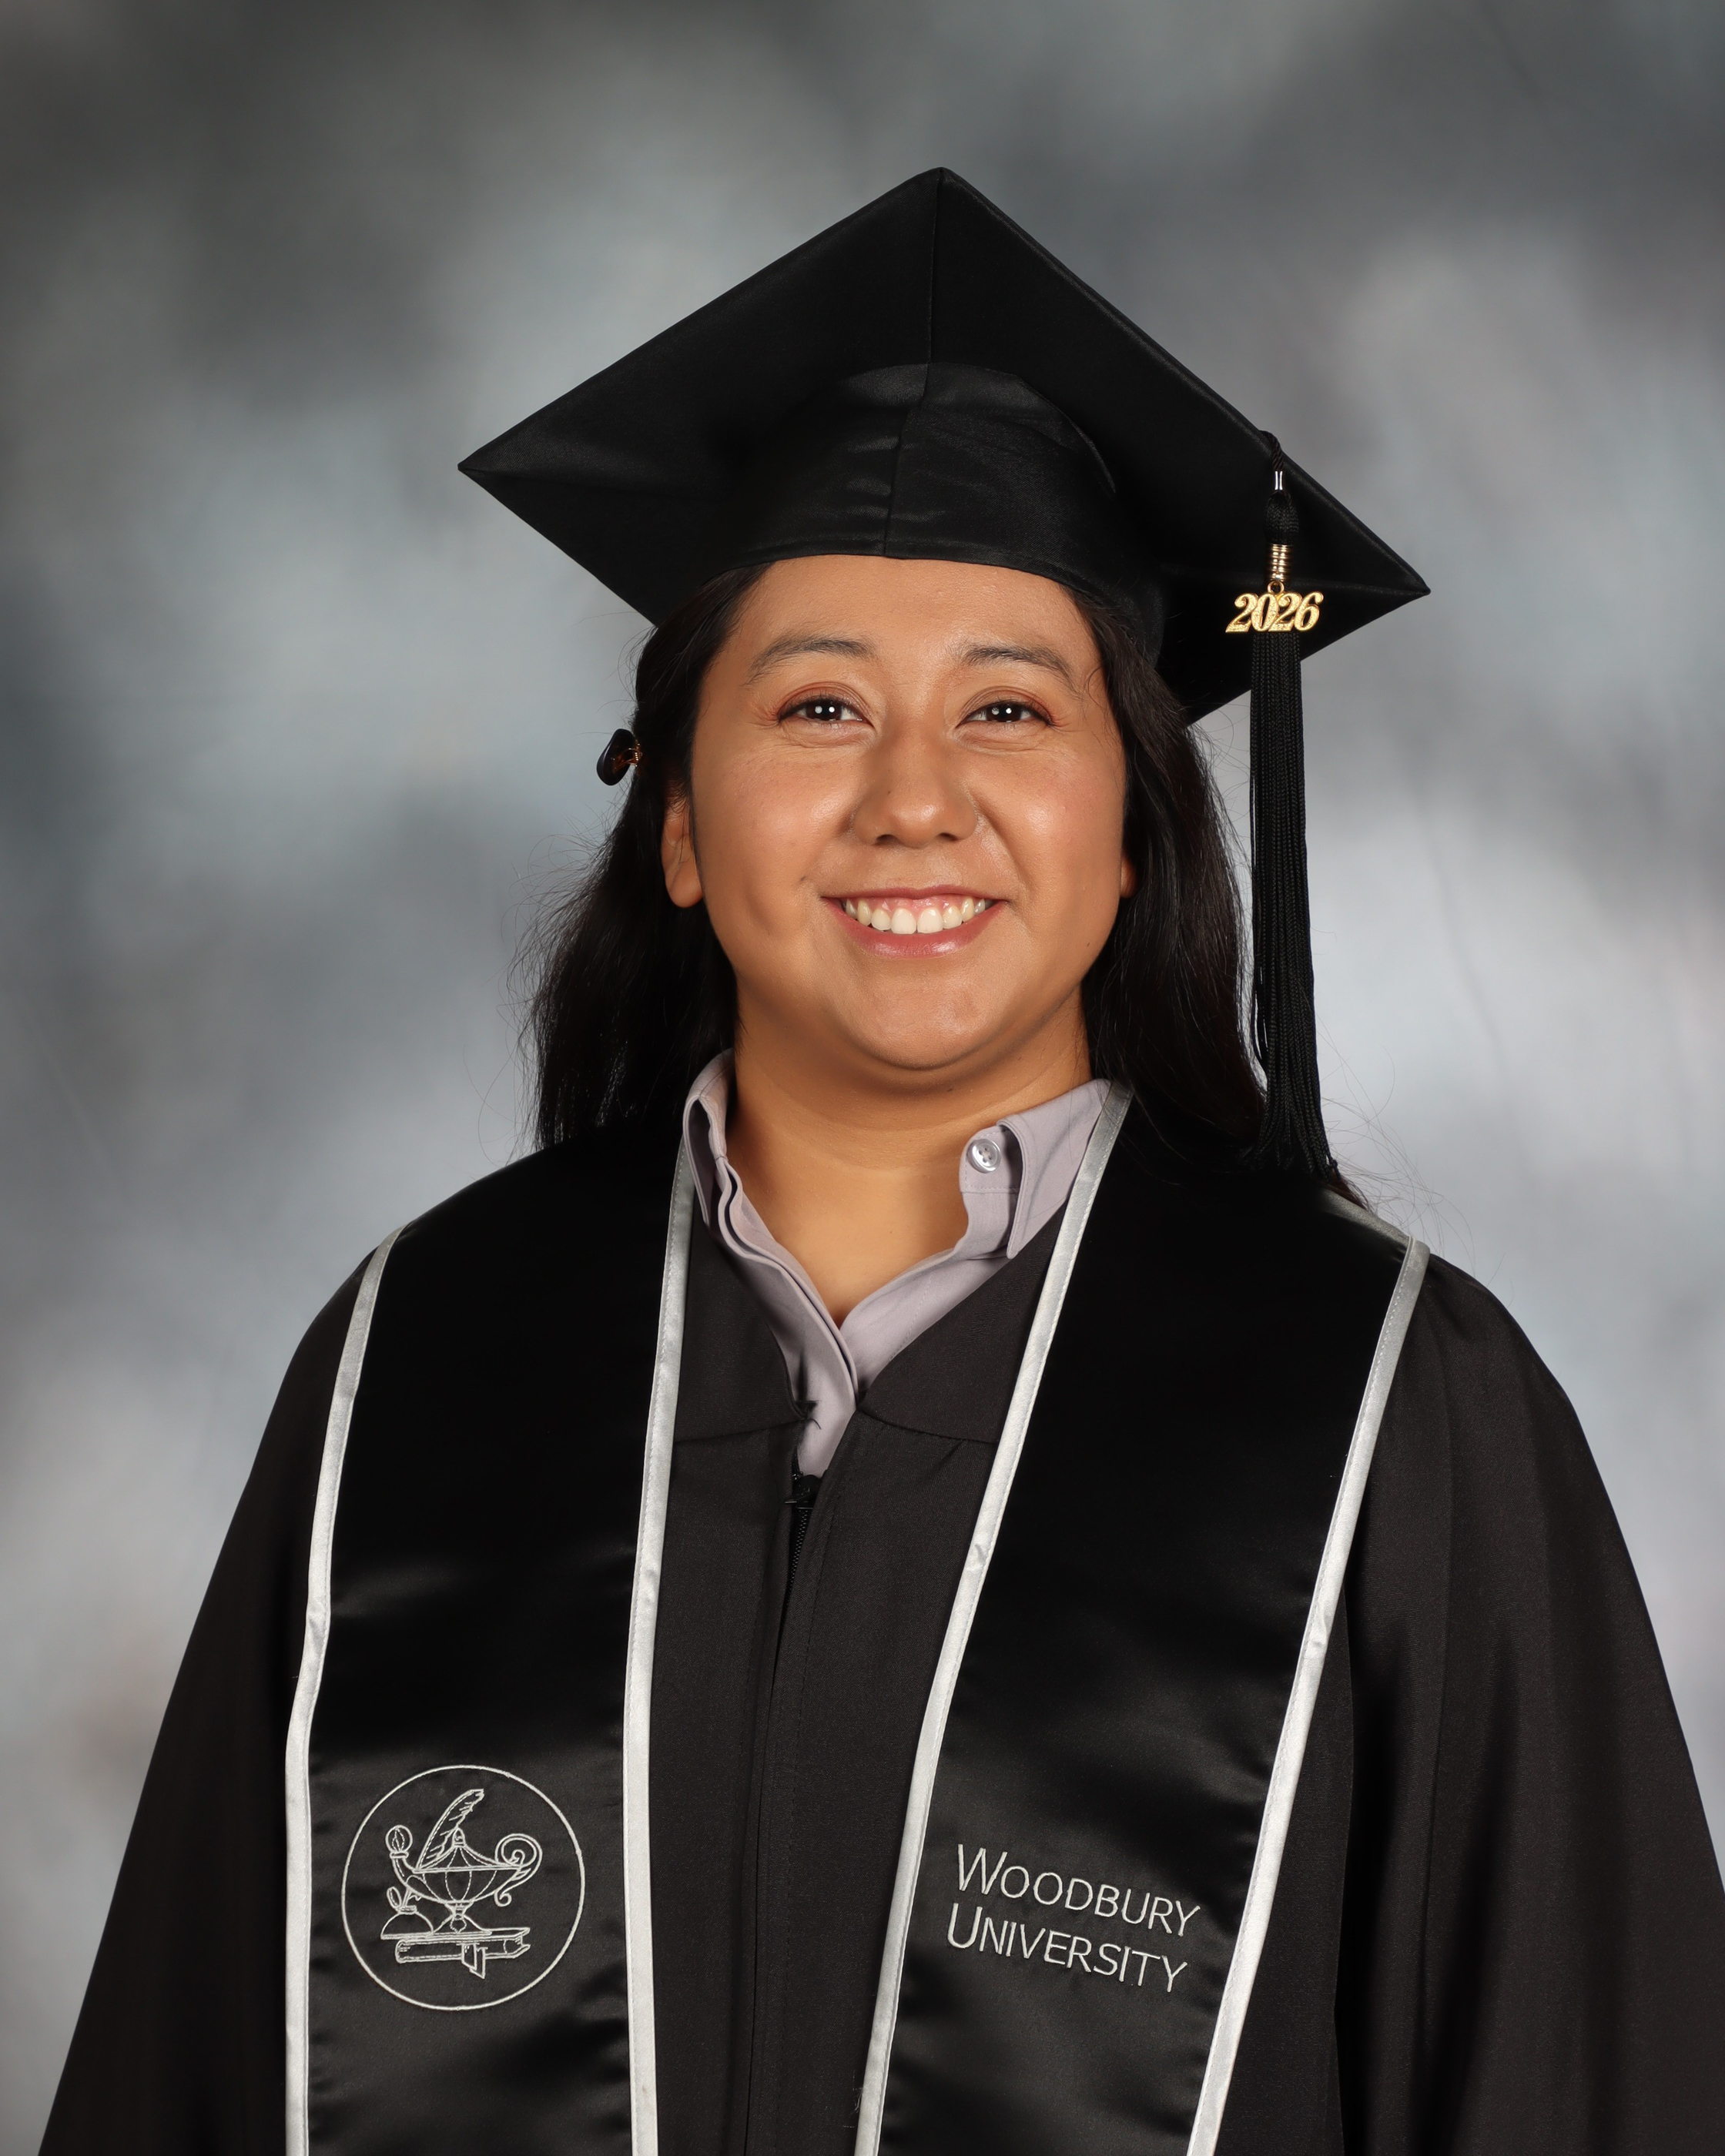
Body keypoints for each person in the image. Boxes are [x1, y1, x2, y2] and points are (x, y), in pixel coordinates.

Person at [42, 169, 1724, 2156]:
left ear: (1132, 831)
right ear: (681, 825)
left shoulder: (1390, 1411)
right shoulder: (418, 1370)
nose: (914, 800)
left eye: (1008, 708)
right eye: (820, 704)